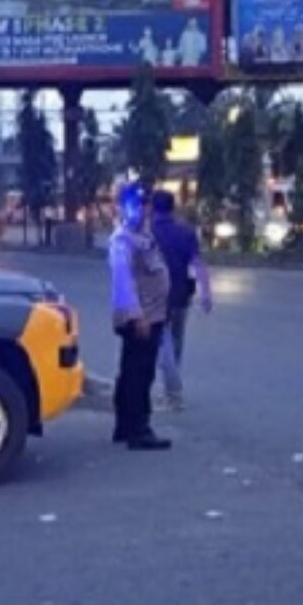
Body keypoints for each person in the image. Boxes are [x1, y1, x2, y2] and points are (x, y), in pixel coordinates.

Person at [109, 183, 172, 451]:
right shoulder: (122, 240)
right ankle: (139, 430)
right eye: (135, 204)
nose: (141, 209)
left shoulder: (142, 235)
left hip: (153, 313)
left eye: (144, 204)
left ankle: (125, 426)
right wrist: (138, 316)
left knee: (131, 372)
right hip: (140, 317)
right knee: (139, 374)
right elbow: (123, 281)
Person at [151, 189, 213, 410]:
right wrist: (206, 293)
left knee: (161, 342)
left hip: (155, 297)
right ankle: (170, 388)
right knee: (175, 342)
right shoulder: (185, 233)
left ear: (153, 209)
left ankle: (173, 393)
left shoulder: (149, 233)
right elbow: (197, 263)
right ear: (172, 208)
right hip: (181, 294)